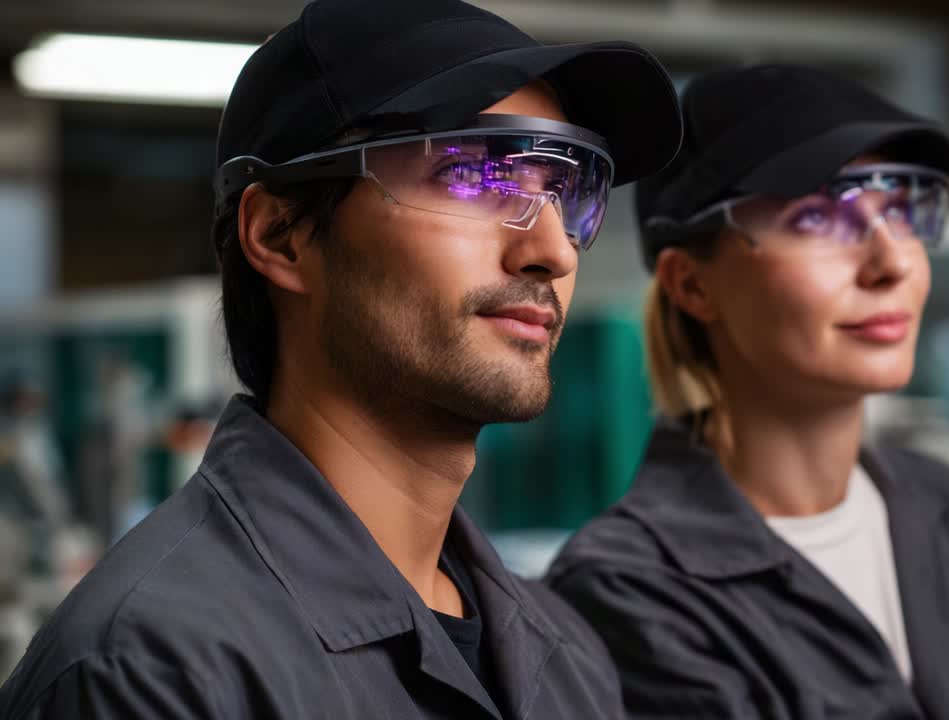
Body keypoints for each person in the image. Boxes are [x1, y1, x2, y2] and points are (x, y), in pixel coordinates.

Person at [0, 1, 681, 717]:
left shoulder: (567, 659)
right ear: (281, 235)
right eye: (471, 176)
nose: (551, 251)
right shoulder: (152, 673)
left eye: (564, 191)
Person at [545, 64, 949, 719]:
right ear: (693, 285)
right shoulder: (630, 590)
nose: (892, 263)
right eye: (817, 218)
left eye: (901, 211)